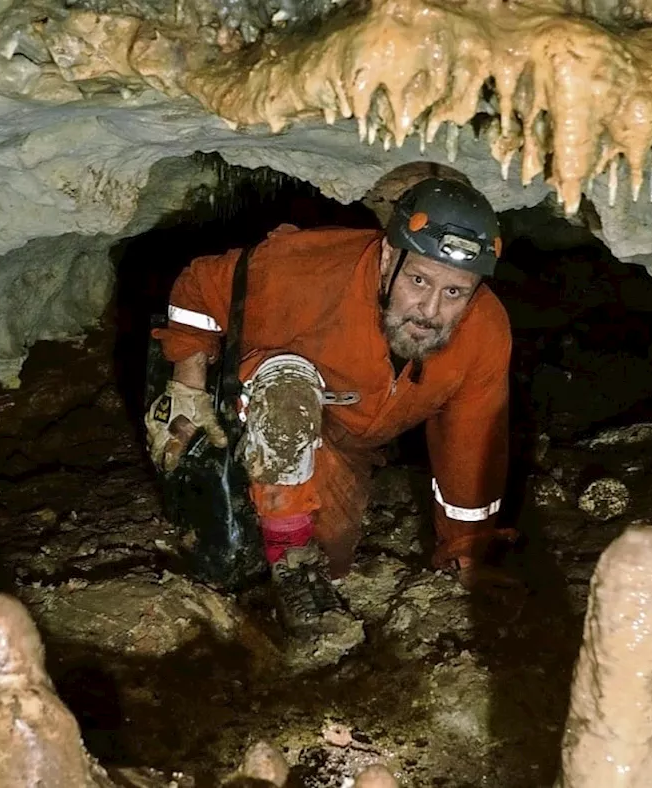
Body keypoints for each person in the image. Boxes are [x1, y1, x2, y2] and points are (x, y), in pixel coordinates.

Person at [144, 176, 517, 635]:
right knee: (287, 388)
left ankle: (292, 555)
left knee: (333, 555)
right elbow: (200, 287)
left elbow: (471, 445)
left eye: (455, 292)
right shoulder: (306, 271)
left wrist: (466, 549)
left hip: (343, 439)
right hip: (253, 409)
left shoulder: (484, 333)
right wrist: (187, 388)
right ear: (387, 258)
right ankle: (289, 564)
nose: (430, 310)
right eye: (419, 280)